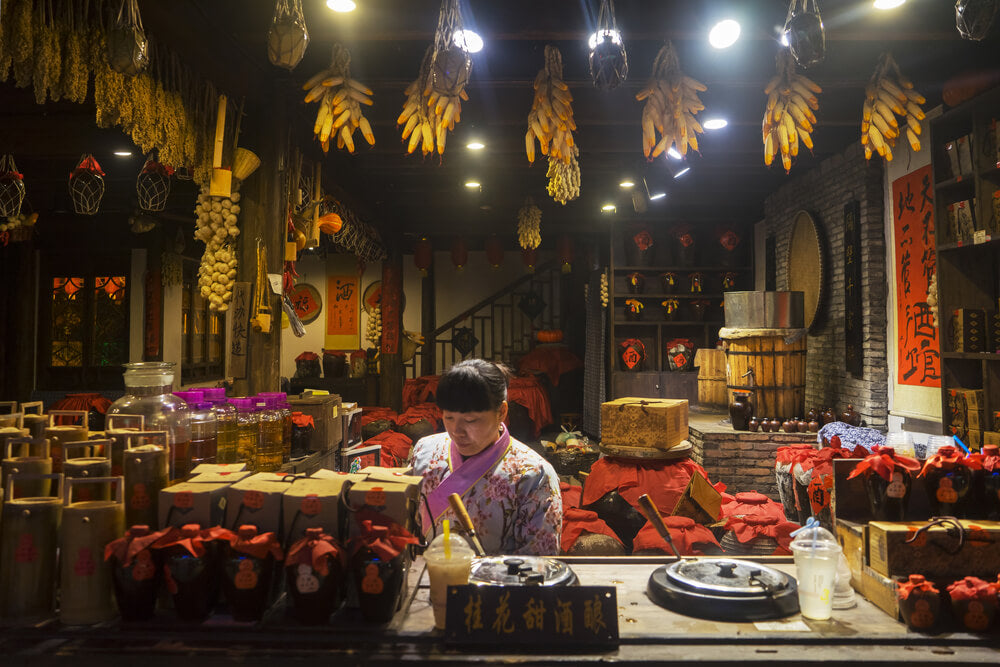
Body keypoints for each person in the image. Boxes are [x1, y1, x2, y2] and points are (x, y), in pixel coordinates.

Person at [409, 360, 562, 555]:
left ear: (502, 412)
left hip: (497, 582)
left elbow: (540, 560)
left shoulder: (534, 474)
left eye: (471, 420)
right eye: (448, 418)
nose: (457, 431)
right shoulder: (425, 451)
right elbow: (408, 530)